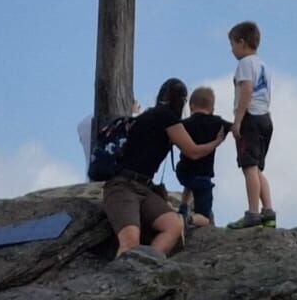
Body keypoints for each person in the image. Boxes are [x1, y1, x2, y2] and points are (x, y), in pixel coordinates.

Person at [101, 78, 228, 259]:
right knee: (131, 240)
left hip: (141, 187)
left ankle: (145, 266)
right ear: (183, 101)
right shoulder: (166, 117)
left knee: (174, 225)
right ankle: (126, 277)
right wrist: (217, 141)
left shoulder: (150, 116)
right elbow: (193, 152)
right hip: (123, 188)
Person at [225, 20, 277, 229]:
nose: (232, 50)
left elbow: (246, 90)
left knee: (249, 167)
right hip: (265, 117)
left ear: (242, 42)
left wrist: (238, 120)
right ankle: (269, 211)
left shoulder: (245, 64)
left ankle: (253, 213)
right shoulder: (264, 66)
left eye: (232, 45)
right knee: (257, 169)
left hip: (251, 118)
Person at [174, 86, 231, 226]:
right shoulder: (218, 123)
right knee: (205, 217)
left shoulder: (184, 124)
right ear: (212, 108)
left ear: (191, 105)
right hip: (203, 176)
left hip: (184, 172)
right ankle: (188, 220)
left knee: (189, 184)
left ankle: (183, 208)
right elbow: (234, 127)